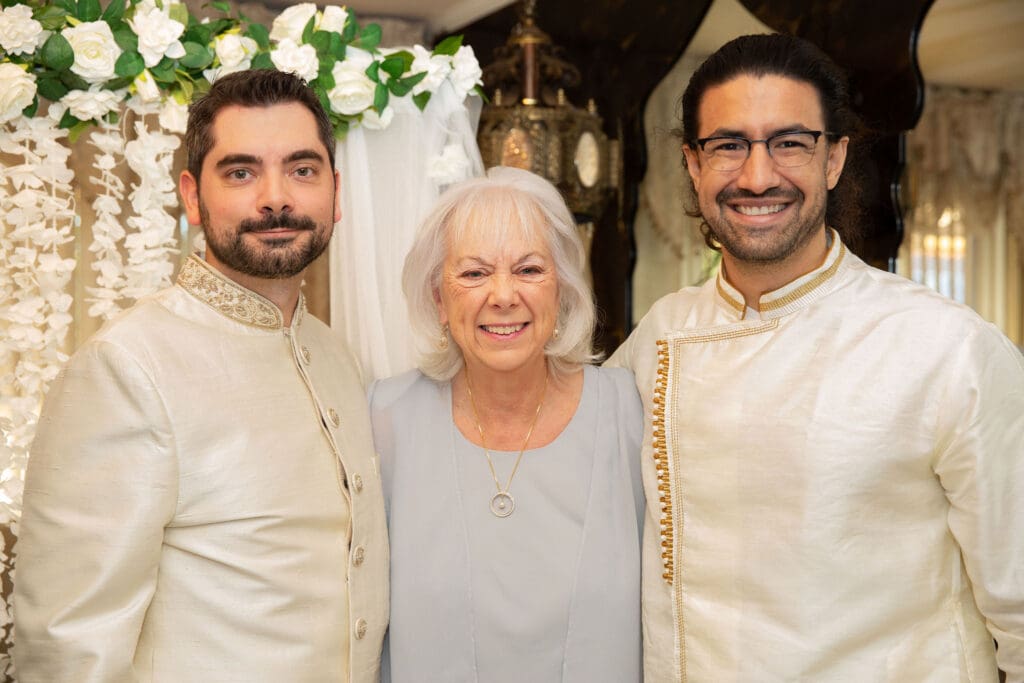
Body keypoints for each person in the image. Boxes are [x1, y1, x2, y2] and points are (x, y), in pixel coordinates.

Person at [608, 34, 1024, 682]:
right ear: (692, 164)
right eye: (728, 145)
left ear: (834, 160)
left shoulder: (948, 349)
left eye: (789, 143)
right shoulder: (655, 339)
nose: (757, 175)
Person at [13, 70, 388, 682]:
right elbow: (67, 648)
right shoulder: (128, 369)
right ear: (191, 197)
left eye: (302, 169)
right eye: (241, 172)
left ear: (335, 192)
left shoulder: (336, 357)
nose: (276, 198)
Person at [370, 166, 643, 682]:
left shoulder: (631, 415)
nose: (502, 295)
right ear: (438, 298)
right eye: (473, 273)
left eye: (529, 270)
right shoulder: (384, 421)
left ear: (561, 289)